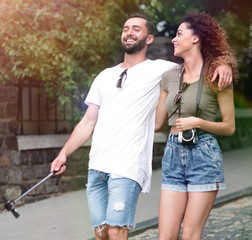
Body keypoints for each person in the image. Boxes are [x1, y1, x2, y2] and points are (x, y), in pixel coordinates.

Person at [51, 12, 233, 240]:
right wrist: (63, 154)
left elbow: (196, 62)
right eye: (126, 28)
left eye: (136, 29)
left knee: (118, 231)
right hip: (97, 164)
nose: (129, 32)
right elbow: (88, 121)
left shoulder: (162, 70)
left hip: (128, 165)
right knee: (101, 234)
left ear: (149, 39)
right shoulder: (105, 76)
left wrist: (222, 63)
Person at [155, 12, 238, 240]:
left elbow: (229, 127)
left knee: (191, 235)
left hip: (203, 154)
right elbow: (156, 123)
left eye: (179, 34)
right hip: (172, 154)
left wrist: (198, 122)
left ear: (196, 38)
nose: (174, 38)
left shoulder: (218, 75)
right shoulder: (169, 77)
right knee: (166, 236)